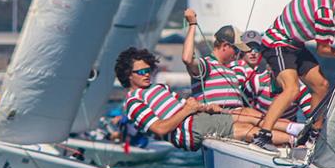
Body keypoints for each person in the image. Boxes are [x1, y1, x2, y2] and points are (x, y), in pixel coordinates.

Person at [252, 0, 335, 149]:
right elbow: (324, 50)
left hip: (294, 45)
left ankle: (312, 135)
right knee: (292, 89)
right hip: (277, 43)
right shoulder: (326, 9)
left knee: (322, 85)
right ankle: (262, 135)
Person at [116, 47, 292, 152]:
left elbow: (188, 105)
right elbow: (160, 129)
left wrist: (205, 107)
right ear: (128, 75)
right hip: (190, 130)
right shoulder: (133, 102)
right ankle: (296, 141)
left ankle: (296, 130)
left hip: (198, 119)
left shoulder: (158, 87)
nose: (146, 74)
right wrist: (187, 110)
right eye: (140, 72)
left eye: (148, 70)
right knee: (249, 129)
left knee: (247, 113)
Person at [182, 8, 251, 109]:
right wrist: (192, 24)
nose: (238, 55)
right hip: (217, 119)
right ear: (225, 46)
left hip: (237, 119)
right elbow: (187, 59)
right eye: (236, 50)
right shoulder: (207, 65)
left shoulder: (230, 71)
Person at [239, 31, 313, 122]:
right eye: (276, 65)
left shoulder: (300, 88)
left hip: (287, 131)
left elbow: (311, 116)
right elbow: (242, 106)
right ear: (268, 67)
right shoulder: (257, 81)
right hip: (259, 126)